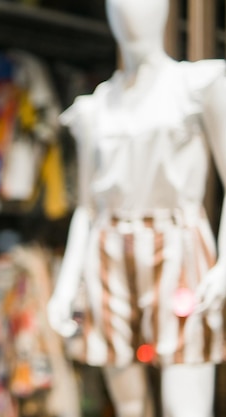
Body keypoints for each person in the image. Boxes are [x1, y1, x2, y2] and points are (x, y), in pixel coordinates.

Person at [47, 1, 226, 416]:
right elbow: (87, 208)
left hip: (179, 247)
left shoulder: (196, 86)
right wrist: (65, 284)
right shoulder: (95, 108)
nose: (132, 11)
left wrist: (224, 264)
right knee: (128, 404)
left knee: (186, 404)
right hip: (107, 252)